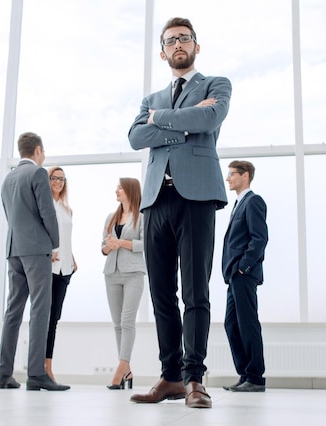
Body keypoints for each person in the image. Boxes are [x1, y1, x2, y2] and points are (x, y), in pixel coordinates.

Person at [128, 17, 231, 409]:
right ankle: (169, 376)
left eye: (184, 39)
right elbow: (136, 136)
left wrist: (161, 121)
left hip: (197, 197)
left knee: (195, 292)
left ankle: (194, 379)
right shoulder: (150, 98)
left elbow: (209, 118)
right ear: (162, 51)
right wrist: (180, 124)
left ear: (196, 46)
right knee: (160, 296)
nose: (177, 45)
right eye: (170, 41)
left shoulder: (216, 85)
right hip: (156, 199)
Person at [0, 132, 66, 391]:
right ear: (37, 150)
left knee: (13, 311)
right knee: (40, 308)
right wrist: (55, 243)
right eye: (43, 151)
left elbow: (10, 214)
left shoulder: (8, 178)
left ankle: (3, 375)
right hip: (36, 250)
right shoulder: (37, 174)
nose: (44, 155)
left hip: (14, 249)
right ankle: (36, 374)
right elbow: (47, 213)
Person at [221, 160, 268, 392]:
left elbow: (259, 238)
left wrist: (243, 267)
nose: (228, 178)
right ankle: (245, 374)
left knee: (247, 324)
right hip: (234, 275)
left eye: (231, 174)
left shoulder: (253, 201)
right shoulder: (239, 204)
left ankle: (255, 378)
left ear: (245, 176)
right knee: (231, 324)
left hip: (244, 274)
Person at [101, 178, 146, 390]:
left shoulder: (142, 217)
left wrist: (121, 243)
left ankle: (119, 371)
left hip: (133, 273)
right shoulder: (111, 217)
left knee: (128, 321)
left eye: (120, 187)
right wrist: (109, 246)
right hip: (111, 272)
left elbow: (146, 244)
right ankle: (126, 369)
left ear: (130, 191)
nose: (116, 190)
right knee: (117, 323)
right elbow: (103, 248)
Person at [44, 166, 77, 390]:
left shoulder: (66, 208)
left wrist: (72, 257)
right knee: (45, 319)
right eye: (54, 178)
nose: (58, 182)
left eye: (62, 179)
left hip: (65, 269)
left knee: (54, 319)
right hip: (50, 268)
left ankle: (47, 366)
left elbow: (65, 237)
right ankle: (43, 368)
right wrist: (47, 253)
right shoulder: (45, 205)